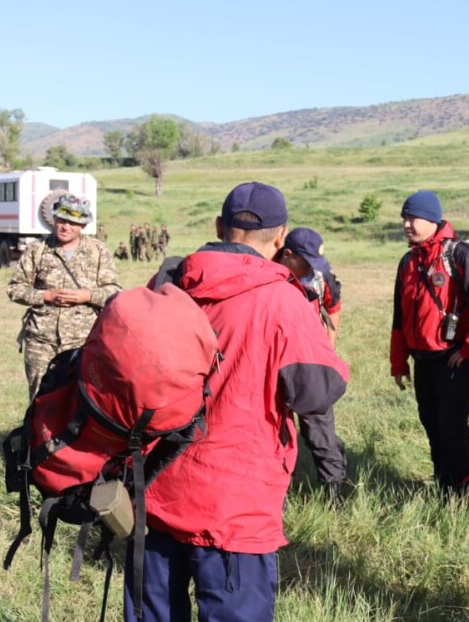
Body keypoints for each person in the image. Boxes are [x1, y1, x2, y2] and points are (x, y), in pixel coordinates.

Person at [127, 182, 349, 622]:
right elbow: (315, 393)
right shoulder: (284, 300)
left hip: (154, 490)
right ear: (281, 236)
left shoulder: (169, 280)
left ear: (218, 227)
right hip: (235, 510)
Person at [390, 190, 469, 492]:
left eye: (413, 218)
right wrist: (399, 363)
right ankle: (443, 485)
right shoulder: (408, 262)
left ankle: (462, 490)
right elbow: (398, 316)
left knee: (452, 427)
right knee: (431, 422)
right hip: (421, 359)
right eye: (404, 218)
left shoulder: (458, 254)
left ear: (432, 220)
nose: (407, 225)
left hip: (452, 358)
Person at [6, 194, 120, 400]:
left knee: (80, 400)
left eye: (73, 222)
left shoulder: (97, 251)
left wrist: (88, 295)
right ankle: (38, 433)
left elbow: (114, 292)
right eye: (62, 220)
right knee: (39, 398)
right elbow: (15, 289)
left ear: (83, 225)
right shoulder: (37, 250)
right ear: (54, 220)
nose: (66, 227)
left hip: (83, 341)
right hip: (41, 341)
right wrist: (45, 295)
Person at [276, 226, 348, 507]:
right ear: (287, 254)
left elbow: (334, 305)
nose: (311, 269)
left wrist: (328, 346)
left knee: (320, 428)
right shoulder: (268, 274)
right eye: (305, 262)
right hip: (275, 360)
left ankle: (333, 492)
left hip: (308, 361)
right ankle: (277, 494)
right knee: (274, 431)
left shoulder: (319, 277)